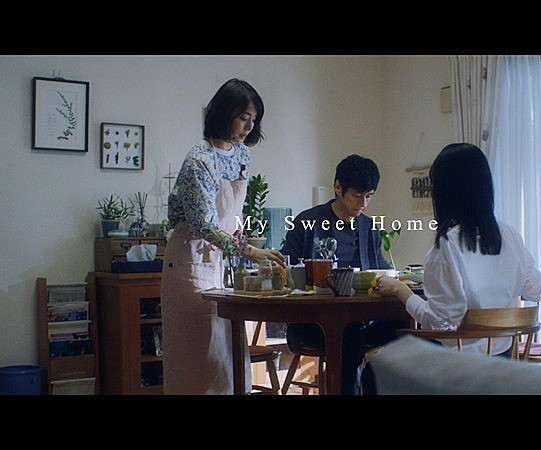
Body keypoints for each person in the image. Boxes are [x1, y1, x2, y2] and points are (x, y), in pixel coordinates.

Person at [367, 143, 541, 393]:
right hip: (503, 362)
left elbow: (439, 324)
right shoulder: (510, 235)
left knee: (373, 371)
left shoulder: (447, 246)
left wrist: (401, 292)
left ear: (444, 193)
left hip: (459, 367)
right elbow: (536, 291)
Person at [161, 78, 286, 395]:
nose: (249, 126)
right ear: (224, 113)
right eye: (244, 117)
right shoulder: (199, 159)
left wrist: (246, 244)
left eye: (253, 119)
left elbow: (230, 219)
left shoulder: (242, 155)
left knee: (228, 356)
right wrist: (251, 253)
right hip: (190, 263)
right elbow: (204, 225)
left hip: (220, 263)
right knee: (198, 358)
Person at [280, 154, 408, 395]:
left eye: (369, 196)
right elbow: (286, 269)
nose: (363, 203)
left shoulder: (369, 228)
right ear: (338, 187)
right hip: (315, 323)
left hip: (364, 320)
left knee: (406, 328)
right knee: (350, 336)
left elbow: (380, 269)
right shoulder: (308, 222)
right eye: (357, 195)